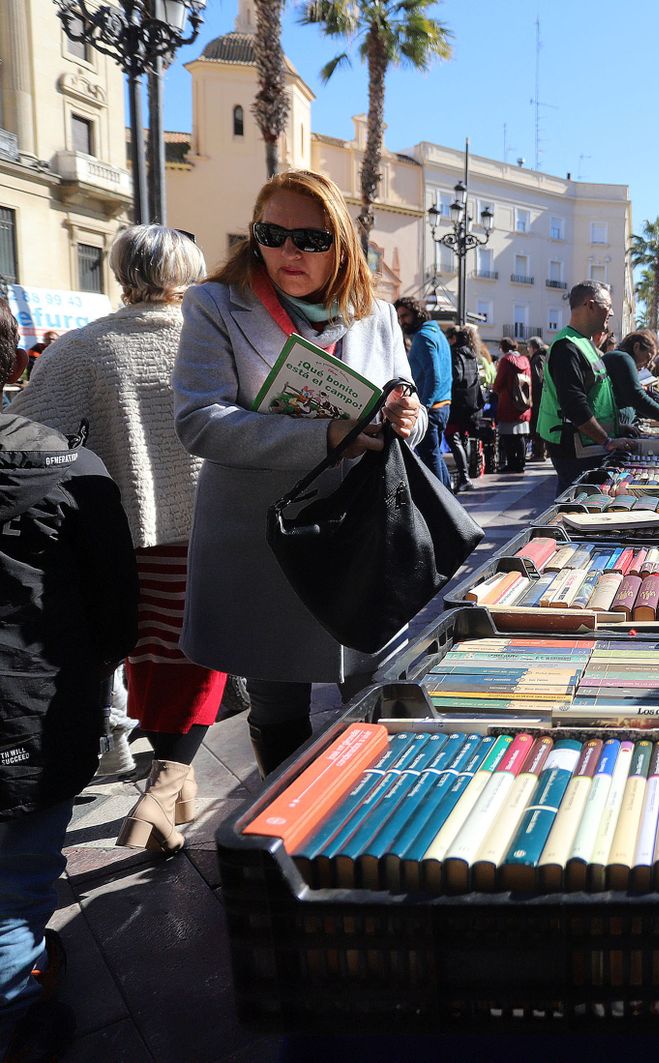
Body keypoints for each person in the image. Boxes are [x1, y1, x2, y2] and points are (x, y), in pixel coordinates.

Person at [173, 169, 423, 776]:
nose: (289, 251)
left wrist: (407, 416)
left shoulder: (376, 314)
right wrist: (324, 435)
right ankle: (280, 825)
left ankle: (363, 816)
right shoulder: (214, 305)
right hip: (265, 531)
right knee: (276, 687)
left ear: (340, 243)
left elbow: (404, 406)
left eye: (310, 238)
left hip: (360, 526)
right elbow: (199, 420)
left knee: (372, 675)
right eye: (272, 233)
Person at [9, 225, 226, 854]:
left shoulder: (82, 348)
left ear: (121, 271)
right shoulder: (209, 340)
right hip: (210, 527)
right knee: (201, 652)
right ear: (189, 271)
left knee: (146, 655)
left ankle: (169, 790)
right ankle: (163, 787)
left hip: (120, 532)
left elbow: (29, 430)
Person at [0, 301, 139, 1061]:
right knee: (18, 887)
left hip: (29, 714)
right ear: (17, 360)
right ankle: (16, 1014)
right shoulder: (71, 469)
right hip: (30, 717)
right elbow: (117, 614)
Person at [537, 280, 630, 488]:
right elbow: (574, 404)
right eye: (608, 306)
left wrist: (617, 427)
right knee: (575, 505)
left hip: (586, 443)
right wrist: (607, 441)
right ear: (590, 305)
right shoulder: (567, 347)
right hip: (575, 447)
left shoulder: (582, 343)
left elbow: (593, 395)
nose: (612, 313)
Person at [393, 295, 451, 487]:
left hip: (432, 408)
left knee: (431, 459)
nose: (402, 322)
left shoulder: (423, 337)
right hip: (442, 405)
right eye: (399, 317)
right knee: (436, 456)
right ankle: (449, 500)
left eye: (405, 316)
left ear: (417, 314)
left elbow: (434, 376)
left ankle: (440, 507)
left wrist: (422, 409)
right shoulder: (438, 333)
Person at [604, 330, 659, 431]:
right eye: (648, 357)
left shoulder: (618, 357)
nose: (648, 364)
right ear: (636, 347)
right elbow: (636, 397)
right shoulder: (623, 359)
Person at [443, 326, 487, 493]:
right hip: (470, 405)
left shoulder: (455, 353)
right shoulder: (472, 354)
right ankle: (465, 475)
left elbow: (457, 377)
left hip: (457, 404)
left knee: (452, 438)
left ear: (454, 338)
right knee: (462, 439)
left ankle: (465, 477)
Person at [493, 338, 534, 473]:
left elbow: (499, 383)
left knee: (508, 437)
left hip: (508, 402)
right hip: (523, 403)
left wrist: (496, 390)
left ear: (503, 348)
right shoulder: (525, 360)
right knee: (520, 436)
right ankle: (521, 463)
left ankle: (511, 463)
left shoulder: (506, 361)